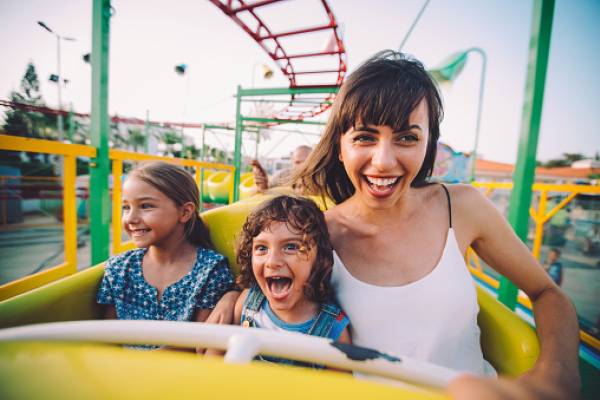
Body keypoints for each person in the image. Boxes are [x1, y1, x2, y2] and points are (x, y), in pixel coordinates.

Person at [293, 50, 580, 398]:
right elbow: (270, 294)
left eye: (407, 138)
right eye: (365, 137)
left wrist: (556, 373)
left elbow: (548, 293)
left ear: (429, 143)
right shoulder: (316, 235)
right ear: (340, 147)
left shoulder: (461, 207)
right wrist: (236, 297)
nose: (383, 161)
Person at [97, 161, 235, 351]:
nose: (131, 218)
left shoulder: (211, 269)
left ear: (185, 212)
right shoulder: (119, 268)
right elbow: (108, 337)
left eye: (145, 206)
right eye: (126, 207)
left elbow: (201, 347)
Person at [233, 195, 351, 368]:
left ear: (319, 257)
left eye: (291, 247)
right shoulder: (246, 303)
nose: (272, 261)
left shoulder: (332, 328)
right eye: (262, 248)